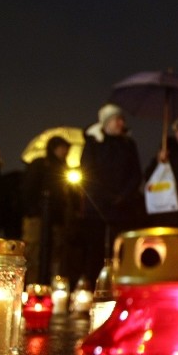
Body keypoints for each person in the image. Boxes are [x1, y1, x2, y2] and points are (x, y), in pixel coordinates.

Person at [74, 104, 144, 284]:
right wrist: (104, 196)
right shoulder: (93, 143)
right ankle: (91, 285)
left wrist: (123, 196)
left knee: (121, 248)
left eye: (122, 119)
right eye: (116, 119)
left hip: (123, 206)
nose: (121, 123)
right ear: (106, 123)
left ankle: (119, 284)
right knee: (94, 248)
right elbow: (88, 172)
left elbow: (136, 173)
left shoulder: (128, 144)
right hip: (96, 206)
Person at [21, 135, 73, 285]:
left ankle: (49, 285)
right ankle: (32, 285)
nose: (65, 152)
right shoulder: (41, 164)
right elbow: (28, 189)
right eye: (63, 148)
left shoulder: (64, 169)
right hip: (37, 219)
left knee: (54, 254)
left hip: (56, 220)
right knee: (34, 252)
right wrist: (34, 210)